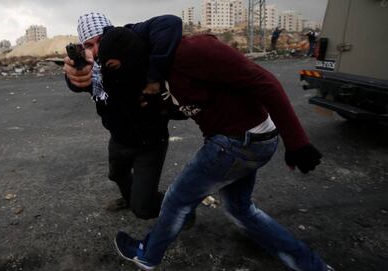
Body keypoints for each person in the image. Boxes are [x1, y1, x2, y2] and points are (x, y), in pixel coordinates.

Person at [98, 28, 334, 271]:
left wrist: (297, 142)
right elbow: (195, 105)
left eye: (116, 66)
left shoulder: (192, 50)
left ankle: (147, 255)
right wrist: (160, 106)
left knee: (177, 199)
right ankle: (312, 266)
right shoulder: (155, 74)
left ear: (129, 54)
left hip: (238, 141)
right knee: (240, 210)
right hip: (245, 142)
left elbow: (265, 82)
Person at [63, 12, 182, 219]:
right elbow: (77, 80)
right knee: (117, 175)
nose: (98, 49)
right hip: (119, 140)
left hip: (150, 143)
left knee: (143, 209)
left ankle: (180, 207)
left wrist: (154, 78)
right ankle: (129, 198)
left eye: (101, 40)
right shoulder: (94, 70)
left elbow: (170, 23)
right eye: (89, 45)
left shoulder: (131, 41)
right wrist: (72, 76)